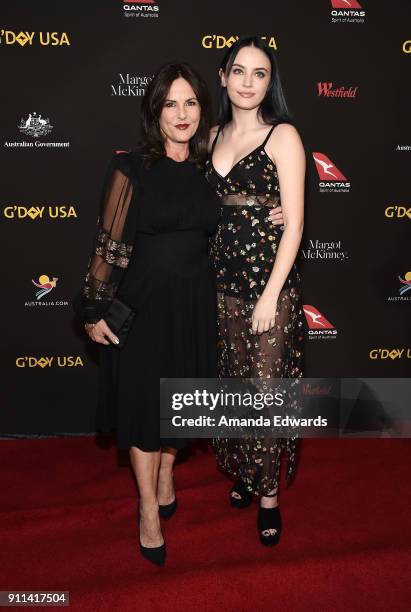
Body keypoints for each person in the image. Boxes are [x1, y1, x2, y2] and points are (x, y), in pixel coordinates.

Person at [76, 62, 222, 566]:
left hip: (192, 307)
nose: (181, 115)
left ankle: (165, 473)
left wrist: (273, 207)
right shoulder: (132, 168)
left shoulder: (208, 168)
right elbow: (108, 243)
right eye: (170, 104)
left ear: (203, 110)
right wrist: (93, 308)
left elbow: (228, 213)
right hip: (142, 307)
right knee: (144, 411)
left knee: (178, 404)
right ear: (154, 111)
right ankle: (147, 511)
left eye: (191, 103)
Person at [205, 36, 305, 546]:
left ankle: (269, 497)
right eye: (238, 71)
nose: (247, 82)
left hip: (268, 289)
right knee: (236, 387)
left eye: (259, 73)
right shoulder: (210, 135)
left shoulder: (282, 136)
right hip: (220, 286)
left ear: (270, 82)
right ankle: (245, 470)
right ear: (222, 76)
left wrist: (271, 296)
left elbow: (295, 226)